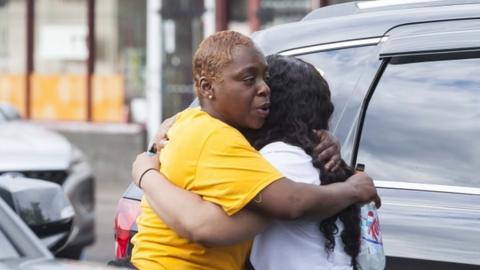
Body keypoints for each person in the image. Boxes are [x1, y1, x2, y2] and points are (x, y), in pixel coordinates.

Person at [131, 30, 379, 270]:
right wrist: (352, 189)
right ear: (207, 88)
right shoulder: (216, 136)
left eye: (265, 78)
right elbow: (290, 203)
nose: (264, 88)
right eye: (249, 80)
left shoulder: (199, 126)